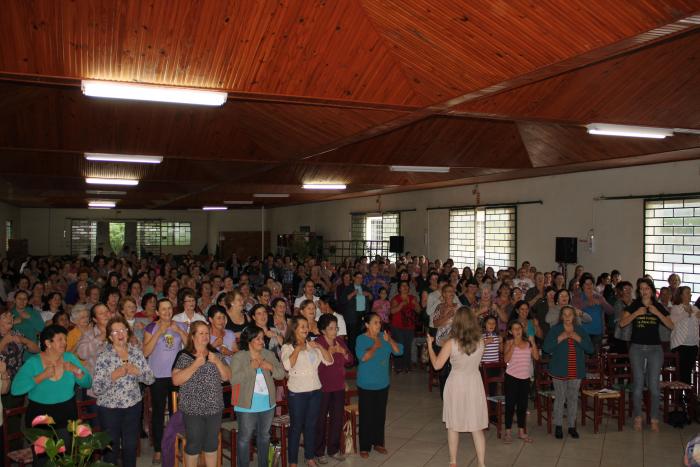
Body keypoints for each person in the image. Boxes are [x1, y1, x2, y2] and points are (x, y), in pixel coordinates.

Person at [11, 325, 92, 466]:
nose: (65, 343)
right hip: (40, 417)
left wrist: (76, 370)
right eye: (60, 339)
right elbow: (16, 389)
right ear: (48, 343)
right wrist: (41, 376)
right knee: (42, 460)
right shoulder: (34, 362)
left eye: (65, 339)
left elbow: (88, 383)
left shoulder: (69, 358)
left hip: (67, 414)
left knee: (65, 458)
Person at [426, 307, 487, 467]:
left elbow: (437, 365)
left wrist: (430, 346)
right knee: (476, 427)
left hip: (456, 384)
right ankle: (481, 463)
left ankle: (453, 462)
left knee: (453, 425)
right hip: (474, 382)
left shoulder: (451, 343)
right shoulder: (480, 342)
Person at [92, 316, 155, 467]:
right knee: (110, 448)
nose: (120, 334)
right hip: (109, 408)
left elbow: (150, 379)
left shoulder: (136, 352)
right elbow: (97, 388)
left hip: (133, 406)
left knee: (131, 446)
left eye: (123, 330)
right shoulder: (104, 356)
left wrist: (137, 372)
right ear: (109, 337)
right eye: (115, 332)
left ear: (128, 332)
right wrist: (113, 376)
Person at [172, 321, 231, 467]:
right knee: (194, 444)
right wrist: (195, 365)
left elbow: (227, 376)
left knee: (211, 444)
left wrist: (217, 361)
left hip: (214, 407)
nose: (205, 336)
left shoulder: (215, 354)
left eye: (207, 333)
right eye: (201, 333)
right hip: (193, 408)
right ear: (192, 336)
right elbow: (176, 380)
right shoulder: (184, 355)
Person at [619, 278, 674, 432]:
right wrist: (636, 313)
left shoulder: (658, 306)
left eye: (647, 288)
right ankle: (638, 416)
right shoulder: (634, 305)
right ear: (639, 291)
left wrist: (657, 312)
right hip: (636, 348)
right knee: (638, 385)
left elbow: (671, 325)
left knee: (654, 387)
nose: (644, 291)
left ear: (651, 290)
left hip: (655, 349)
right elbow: (622, 323)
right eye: (641, 288)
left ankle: (654, 417)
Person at [280, 316, 334, 467]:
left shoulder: (312, 345)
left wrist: (320, 347)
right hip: (297, 393)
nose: (305, 329)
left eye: (306, 326)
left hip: (315, 390)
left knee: (311, 425)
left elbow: (329, 361)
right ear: (294, 329)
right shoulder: (287, 347)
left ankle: (310, 457)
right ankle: (292, 462)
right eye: (302, 326)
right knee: (296, 427)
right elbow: (287, 366)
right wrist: (297, 348)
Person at [230, 325, 286, 467]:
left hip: (267, 404)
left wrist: (271, 367)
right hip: (246, 406)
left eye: (263, 338)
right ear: (249, 340)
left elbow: (282, 373)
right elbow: (233, 380)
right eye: (258, 339)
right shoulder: (239, 356)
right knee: (244, 439)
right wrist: (251, 368)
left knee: (264, 437)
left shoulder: (268, 354)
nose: (262, 341)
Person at [143, 298, 189, 464]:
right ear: (157, 312)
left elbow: (190, 346)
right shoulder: (151, 327)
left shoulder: (181, 325)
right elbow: (146, 352)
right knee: (158, 413)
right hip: (158, 377)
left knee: (178, 413)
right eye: (163, 309)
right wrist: (158, 333)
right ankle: (158, 449)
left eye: (169, 308)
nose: (167, 312)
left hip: (177, 375)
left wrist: (179, 331)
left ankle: (177, 445)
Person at [355, 312, 403, 458]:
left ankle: (378, 443)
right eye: (375, 322)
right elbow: (363, 357)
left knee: (379, 415)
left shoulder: (384, 337)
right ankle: (364, 446)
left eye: (379, 322)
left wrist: (390, 341)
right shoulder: (361, 339)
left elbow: (399, 351)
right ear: (367, 325)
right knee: (366, 415)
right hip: (366, 384)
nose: (379, 325)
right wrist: (375, 346)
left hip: (382, 383)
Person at [542, 305, 593, 440]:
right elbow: (546, 348)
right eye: (564, 314)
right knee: (560, 398)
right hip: (559, 369)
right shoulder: (555, 330)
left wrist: (578, 339)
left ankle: (571, 426)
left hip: (576, 370)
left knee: (573, 398)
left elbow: (590, 349)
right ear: (561, 317)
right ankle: (558, 425)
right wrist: (561, 337)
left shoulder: (580, 330)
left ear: (574, 316)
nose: (567, 317)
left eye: (570, 314)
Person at [314, 314, 353, 464]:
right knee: (321, 420)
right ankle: (318, 451)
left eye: (335, 327)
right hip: (322, 387)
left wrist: (343, 352)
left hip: (338, 386)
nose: (334, 331)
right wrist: (329, 351)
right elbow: (316, 364)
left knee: (337, 418)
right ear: (323, 330)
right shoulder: (318, 342)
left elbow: (350, 361)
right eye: (331, 328)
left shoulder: (340, 342)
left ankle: (333, 449)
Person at [503, 320, 539, 443]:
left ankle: (521, 431)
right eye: (514, 328)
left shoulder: (528, 343)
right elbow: (506, 360)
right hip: (511, 377)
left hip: (525, 378)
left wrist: (533, 342)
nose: (517, 330)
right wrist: (513, 345)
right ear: (510, 331)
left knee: (523, 406)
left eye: (519, 328)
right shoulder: (508, 342)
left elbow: (536, 357)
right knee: (510, 405)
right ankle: (507, 432)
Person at [670, 286, 699, 385]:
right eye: (687, 293)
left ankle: (687, 395)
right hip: (680, 344)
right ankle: (677, 397)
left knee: (688, 372)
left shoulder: (695, 308)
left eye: (690, 292)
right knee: (679, 373)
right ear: (681, 295)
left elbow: (697, 325)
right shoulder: (676, 308)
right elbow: (672, 323)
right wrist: (687, 313)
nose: (690, 294)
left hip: (693, 344)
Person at [389, 281, 419, 373]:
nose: (405, 287)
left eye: (407, 286)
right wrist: (401, 304)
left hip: (409, 326)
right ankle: (398, 366)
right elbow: (392, 311)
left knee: (407, 346)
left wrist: (416, 304)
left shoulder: (412, 298)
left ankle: (407, 366)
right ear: (399, 289)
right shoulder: (395, 299)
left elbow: (419, 310)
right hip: (397, 326)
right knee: (400, 345)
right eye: (403, 285)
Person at [11, 290, 44, 357]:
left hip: (31, 350)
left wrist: (29, 317)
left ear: (27, 301)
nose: (22, 301)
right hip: (14, 351)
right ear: (14, 300)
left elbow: (42, 328)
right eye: (19, 298)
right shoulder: (9, 314)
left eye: (25, 299)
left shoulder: (33, 312)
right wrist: (13, 322)